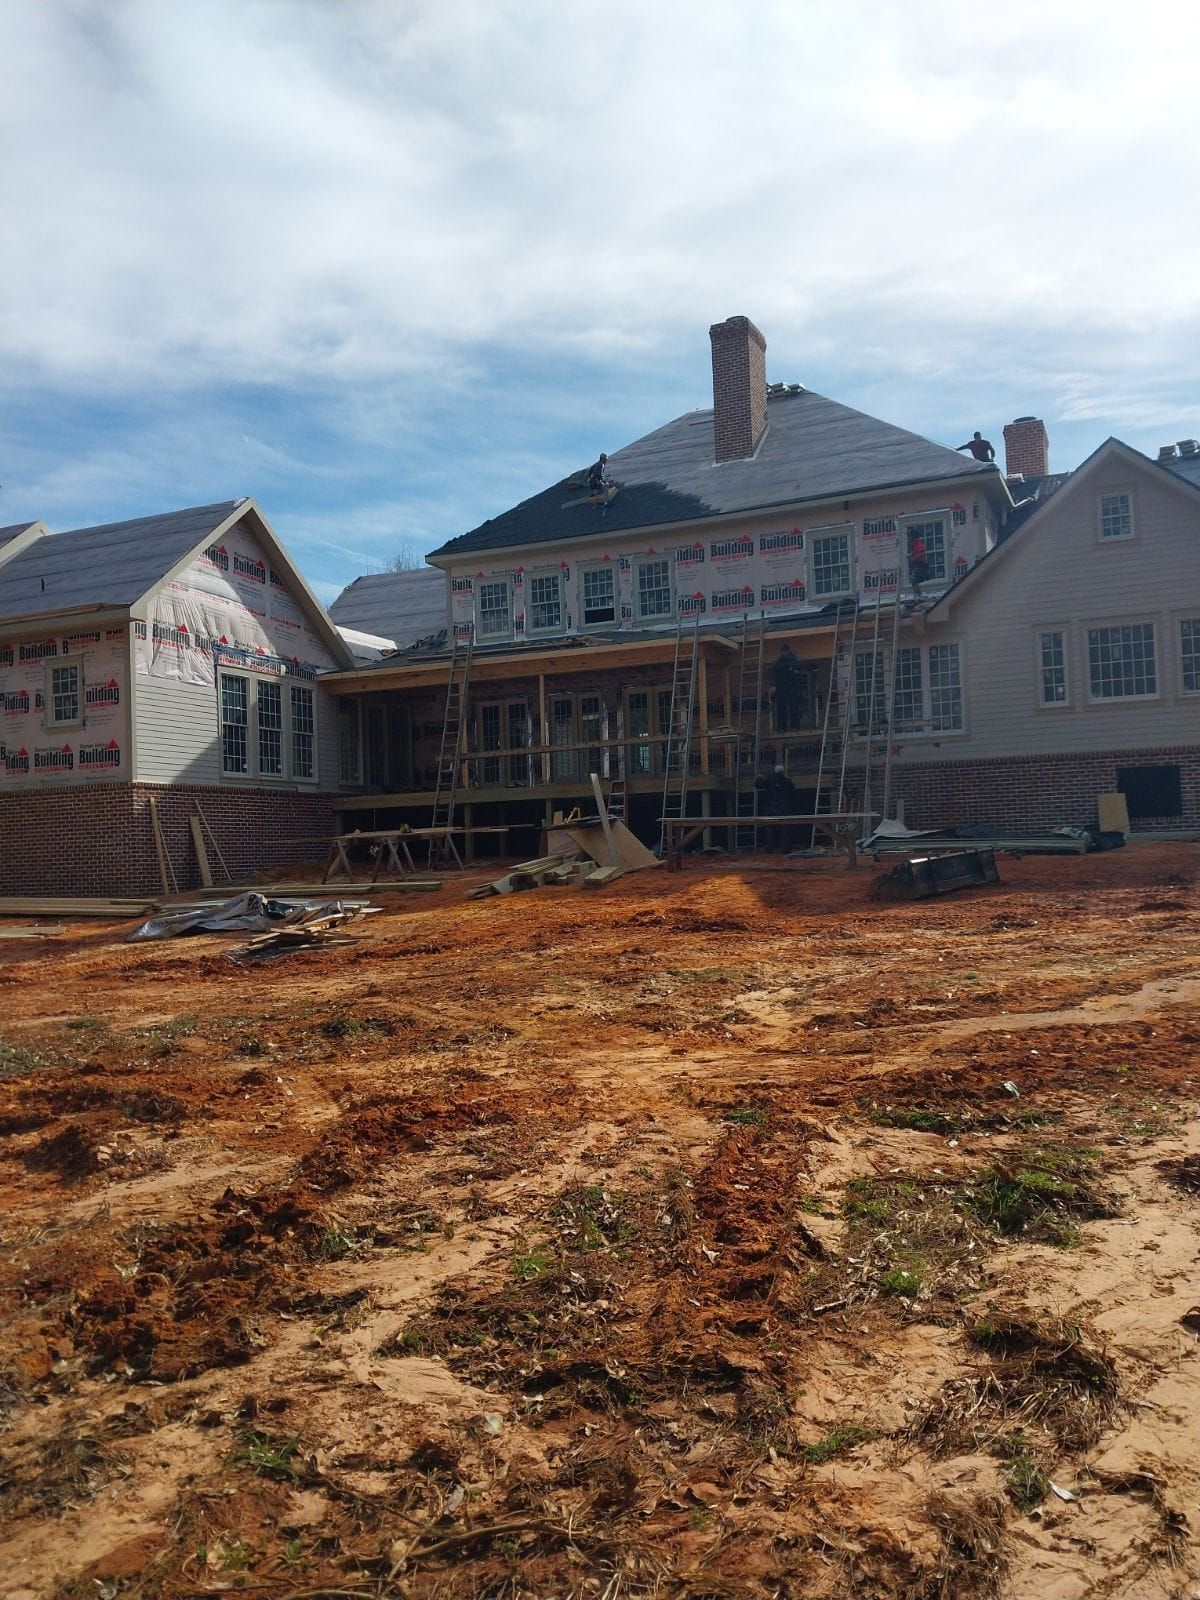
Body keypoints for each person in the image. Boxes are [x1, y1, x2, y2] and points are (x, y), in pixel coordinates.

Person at [754, 763, 799, 852]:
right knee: (784, 828)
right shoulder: (786, 780)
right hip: (783, 807)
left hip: (770, 807)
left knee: (770, 828)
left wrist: (759, 776)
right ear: (782, 771)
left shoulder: (769, 780)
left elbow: (757, 785)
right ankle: (785, 848)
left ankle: (770, 848)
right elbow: (793, 788)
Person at [770, 642, 806, 731]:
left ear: (788, 651)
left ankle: (795, 726)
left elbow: (799, 672)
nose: (785, 653)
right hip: (781, 687)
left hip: (792, 686)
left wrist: (798, 676)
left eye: (786, 651)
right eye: (784, 651)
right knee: (781, 707)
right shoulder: (777, 662)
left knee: (794, 706)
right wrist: (773, 685)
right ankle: (781, 727)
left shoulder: (793, 661)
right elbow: (773, 674)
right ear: (781, 652)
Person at [907, 531, 928, 597]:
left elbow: (923, 553)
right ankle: (916, 596)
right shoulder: (913, 545)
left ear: (913, 537)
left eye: (910, 536)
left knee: (914, 580)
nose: (908, 538)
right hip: (914, 565)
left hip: (919, 564)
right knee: (913, 581)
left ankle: (919, 596)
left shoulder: (919, 543)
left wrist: (914, 557)